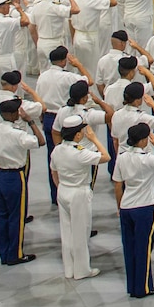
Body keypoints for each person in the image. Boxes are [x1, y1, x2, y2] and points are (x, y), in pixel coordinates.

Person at [115, 121, 154, 297]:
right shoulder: (147, 158)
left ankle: (133, 286)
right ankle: (143, 287)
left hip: (126, 206)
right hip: (144, 207)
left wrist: (120, 206)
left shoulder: (122, 157)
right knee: (144, 249)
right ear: (144, 140)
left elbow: (118, 184)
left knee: (130, 248)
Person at [0, 96, 40, 265]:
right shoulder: (18, 134)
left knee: (2, 216)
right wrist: (31, 122)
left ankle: (4, 253)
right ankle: (15, 254)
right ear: (14, 114)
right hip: (15, 177)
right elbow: (40, 141)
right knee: (17, 217)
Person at [50, 112, 109, 280]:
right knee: (81, 232)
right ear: (77, 134)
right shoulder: (80, 153)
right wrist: (95, 139)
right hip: (78, 193)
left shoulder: (57, 150)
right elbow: (106, 157)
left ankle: (69, 268)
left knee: (66, 231)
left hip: (63, 190)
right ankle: (82, 270)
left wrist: (61, 186)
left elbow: (53, 171)